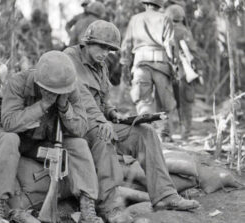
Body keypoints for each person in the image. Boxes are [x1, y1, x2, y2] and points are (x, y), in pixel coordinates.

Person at [64, 20, 200, 218]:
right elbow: (80, 96)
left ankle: (164, 195)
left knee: (146, 132)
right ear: (87, 42)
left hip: (99, 121)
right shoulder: (69, 58)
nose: (105, 52)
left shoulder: (100, 65)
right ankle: (109, 206)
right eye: (102, 46)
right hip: (76, 124)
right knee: (104, 136)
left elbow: (103, 99)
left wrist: (112, 113)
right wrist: (102, 121)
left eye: (109, 49)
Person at [0, 51, 104, 223]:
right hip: (18, 140)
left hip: (47, 143)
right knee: (9, 138)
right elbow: (9, 123)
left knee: (79, 144)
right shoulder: (18, 82)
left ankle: (87, 208)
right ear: (39, 83)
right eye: (50, 90)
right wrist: (43, 104)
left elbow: (81, 129)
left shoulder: (71, 87)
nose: (55, 93)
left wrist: (64, 108)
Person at [121, 0, 177, 142]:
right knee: (164, 101)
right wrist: (174, 64)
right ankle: (163, 134)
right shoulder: (165, 19)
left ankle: (145, 134)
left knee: (143, 100)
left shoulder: (135, 19)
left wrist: (125, 65)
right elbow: (170, 45)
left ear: (145, 4)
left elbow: (126, 45)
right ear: (159, 5)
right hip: (161, 63)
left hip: (140, 63)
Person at [165, 4, 201, 139]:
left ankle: (167, 133)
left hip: (167, 71)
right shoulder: (185, 31)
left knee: (167, 103)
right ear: (181, 17)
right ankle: (186, 132)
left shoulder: (164, 30)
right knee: (186, 102)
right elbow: (194, 53)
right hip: (184, 72)